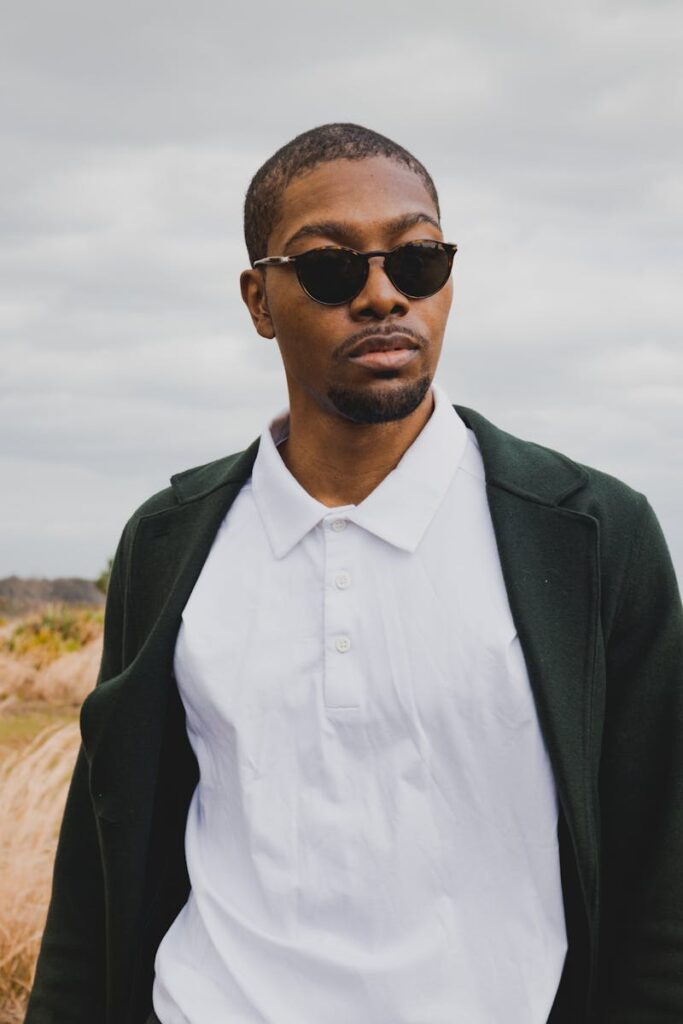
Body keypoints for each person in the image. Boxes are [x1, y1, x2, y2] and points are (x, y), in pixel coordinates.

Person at [25, 123, 683, 1024]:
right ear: (258, 300)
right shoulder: (169, 541)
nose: (382, 296)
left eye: (417, 259)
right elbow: (98, 864)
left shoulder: (591, 535)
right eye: (333, 267)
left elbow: (662, 869)